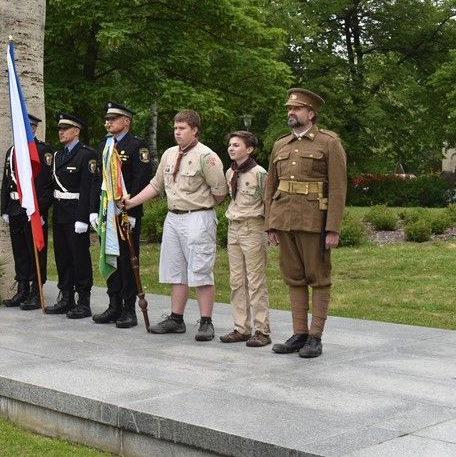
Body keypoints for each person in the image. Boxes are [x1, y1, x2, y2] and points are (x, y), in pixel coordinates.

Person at [123, 110, 227, 340]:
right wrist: (131, 202)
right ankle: (176, 318)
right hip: (173, 217)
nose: (177, 133)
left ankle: (206, 322)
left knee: (200, 269)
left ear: (194, 130)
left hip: (197, 216)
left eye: (182, 129)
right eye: (175, 129)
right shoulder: (169, 154)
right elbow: (156, 185)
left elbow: (220, 191)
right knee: (175, 269)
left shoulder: (207, 156)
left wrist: (201, 206)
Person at [265, 88, 347, 359]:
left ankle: (315, 337)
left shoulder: (328, 142)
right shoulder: (280, 145)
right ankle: (299, 333)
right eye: (289, 109)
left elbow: (338, 188)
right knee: (294, 278)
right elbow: (271, 187)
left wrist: (333, 227)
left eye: (297, 109)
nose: (291, 112)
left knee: (319, 279)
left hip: (314, 221)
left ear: (311, 114)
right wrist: (270, 224)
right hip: (284, 219)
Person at [93, 102, 150, 327]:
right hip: (107, 212)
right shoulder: (104, 146)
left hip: (126, 213)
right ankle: (113, 305)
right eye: (107, 119)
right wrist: (93, 211)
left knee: (127, 260)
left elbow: (141, 180)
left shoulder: (137, 146)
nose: (108, 122)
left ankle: (128, 309)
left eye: (114, 119)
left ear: (126, 121)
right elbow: (97, 181)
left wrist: (132, 210)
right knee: (110, 256)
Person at [220, 131, 272, 347]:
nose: (231, 148)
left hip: (253, 227)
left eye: (237, 145)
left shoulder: (260, 174)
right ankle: (241, 327)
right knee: (236, 280)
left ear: (249, 149)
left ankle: (262, 330)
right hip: (234, 227)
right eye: (230, 145)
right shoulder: (230, 173)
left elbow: (269, 203)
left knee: (255, 281)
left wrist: (270, 230)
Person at [45, 113, 98, 319]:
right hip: (60, 214)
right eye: (59, 129)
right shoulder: (58, 156)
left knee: (80, 258)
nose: (61, 132)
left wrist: (83, 217)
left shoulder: (86, 155)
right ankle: (66, 297)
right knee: (63, 257)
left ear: (76, 131)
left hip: (76, 213)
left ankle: (83, 301)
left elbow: (89, 188)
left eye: (65, 129)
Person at [0, 113, 54, 310]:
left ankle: (35, 290)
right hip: (15, 208)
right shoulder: (11, 151)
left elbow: (48, 186)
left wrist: (40, 210)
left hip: (33, 209)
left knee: (35, 250)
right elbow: (6, 181)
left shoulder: (43, 151)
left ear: (34, 129)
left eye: (27, 127)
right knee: (20, 250)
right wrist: (4, 207)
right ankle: (22, 288)